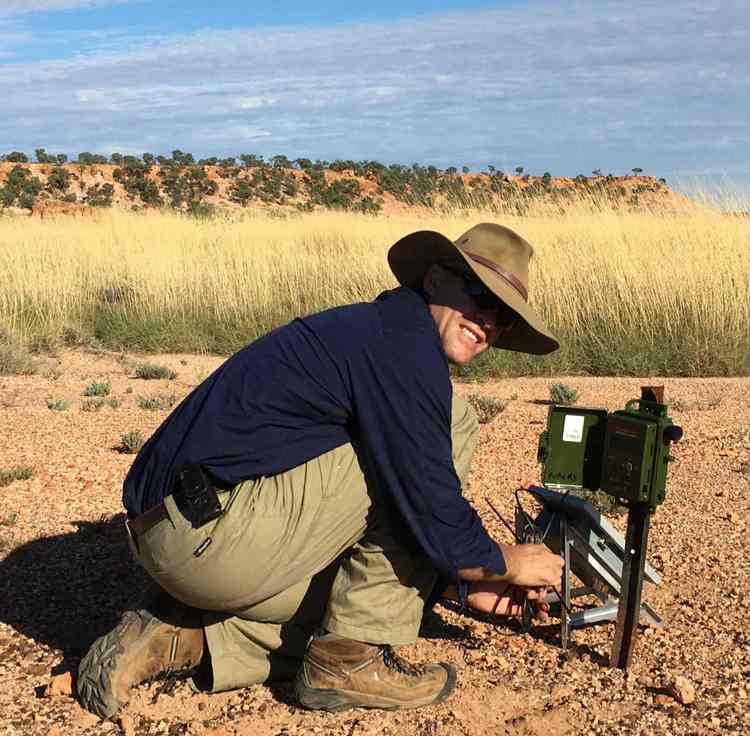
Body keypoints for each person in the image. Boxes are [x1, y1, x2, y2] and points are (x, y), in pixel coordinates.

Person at [77, 222, 564, 718]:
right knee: (441, 438)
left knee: (348, 599)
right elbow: (432, 511)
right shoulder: (403, 349)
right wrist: (506, 561)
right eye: (479, 294)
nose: (487, 320)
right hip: (211, 536)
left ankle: (184, 637)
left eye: (503, 317)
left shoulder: (376, 329)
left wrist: (458, 585)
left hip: (175, 532)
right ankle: (348, 662)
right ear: (436, 279)